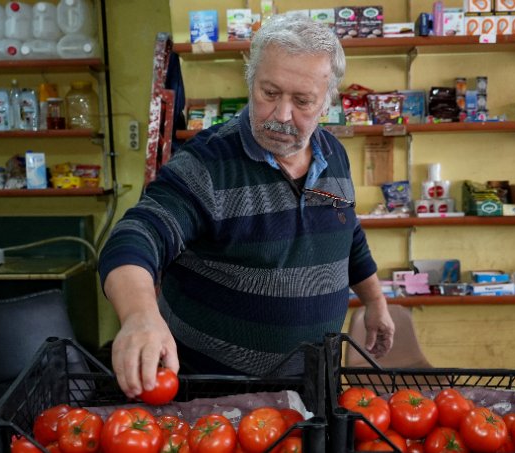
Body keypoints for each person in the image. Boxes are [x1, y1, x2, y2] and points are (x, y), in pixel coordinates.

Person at [98, 13, 396, 398]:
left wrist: (374, 300)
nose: (282, 115)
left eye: (303, 101)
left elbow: (346, 233)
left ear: (327, 101)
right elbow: (136, 236)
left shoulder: (333, 154)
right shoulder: (204, 166)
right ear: (251, 80)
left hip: (313, 385)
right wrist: (139, 315)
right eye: (269, 93)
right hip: (215, 400)